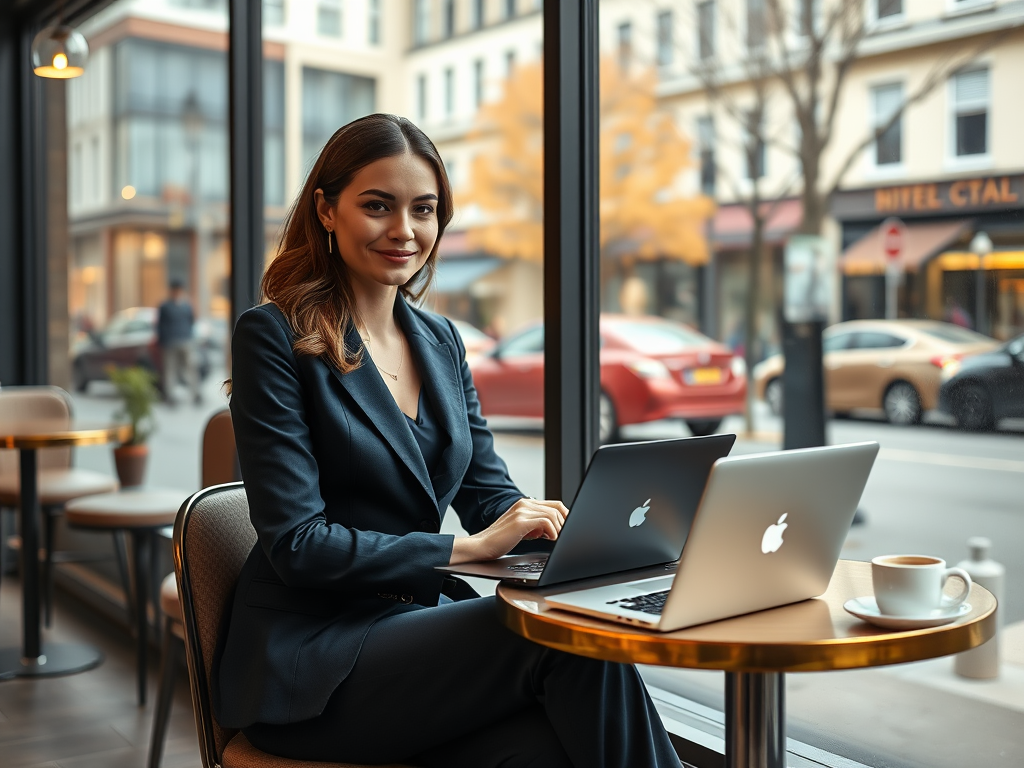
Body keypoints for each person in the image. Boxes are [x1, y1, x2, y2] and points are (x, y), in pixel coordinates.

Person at [214, 114, 680, 768]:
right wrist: (466, 549)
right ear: (326, 209)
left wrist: (557, 533)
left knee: (554, 746)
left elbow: (486, 489)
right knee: (560, 640)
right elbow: (297, 545)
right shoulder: (273, 337)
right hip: (316, 661)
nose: (404, 230)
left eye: (423, 210)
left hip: (412, 641)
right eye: (378, 206)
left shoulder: (442, 343)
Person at [156, 279, 201, 405]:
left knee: (191, 367)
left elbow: (191, 322)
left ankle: (196, 393)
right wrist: (162, 341)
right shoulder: (165, 306)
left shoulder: (186, 306)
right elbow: (160, 325)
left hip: (185, 340)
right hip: (170, 342)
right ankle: (170, 395)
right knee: (171, 369)